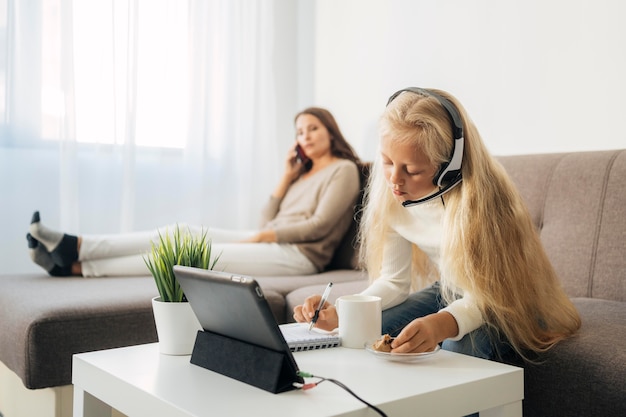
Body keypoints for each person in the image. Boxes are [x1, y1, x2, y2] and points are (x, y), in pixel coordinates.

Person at [293, 88, 581, 362]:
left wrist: (443, 324)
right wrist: (346, 312)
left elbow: (491, 295)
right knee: (366, 328)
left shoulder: (483, 204)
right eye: (387, 162)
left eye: (413, 170)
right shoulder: (392, 196)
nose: (395, 179)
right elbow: (394, 281)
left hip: (509, 302)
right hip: (449, 289)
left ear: (449, 167)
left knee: (458, 345)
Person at [27, 107, 362, 278]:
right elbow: (266, 218)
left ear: (330, 131)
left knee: (189, 255)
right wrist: (286, 177)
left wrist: (262, 237)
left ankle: (73, 266)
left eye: (313, 128)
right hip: (273, 242)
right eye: (300, 131)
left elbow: (318, 226)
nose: (305, 136)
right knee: (182, 232)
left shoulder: (344, 170)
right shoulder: (300, 176)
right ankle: (76, 246)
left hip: (299, 258)